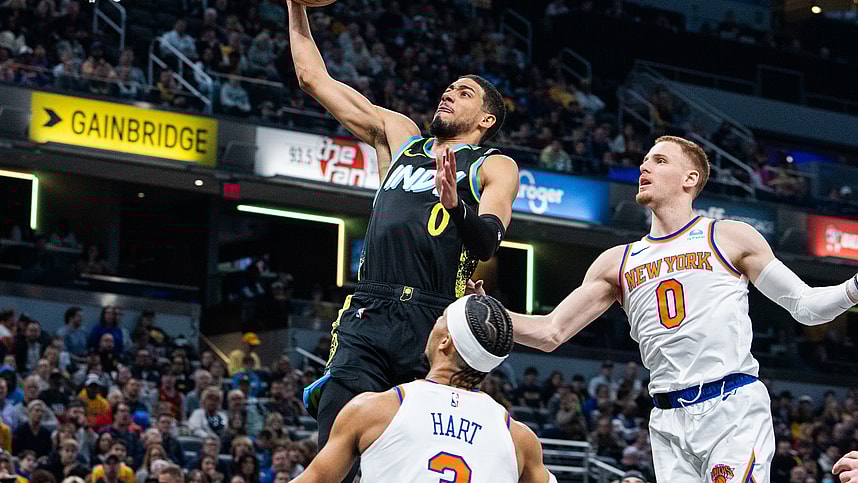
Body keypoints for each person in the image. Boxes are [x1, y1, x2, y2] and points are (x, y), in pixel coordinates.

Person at [506, 136, 858, 482]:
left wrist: (852, 287)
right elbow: (551, 332)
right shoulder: (615, 262)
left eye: (659, 161)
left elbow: (806, 306)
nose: (644, 166)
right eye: (645, 160)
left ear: (690, 179)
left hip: (731, 406)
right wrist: (482, 313)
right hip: (666, 419)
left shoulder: (729, 236)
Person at [287, 3, 520, 481]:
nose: (449, 93)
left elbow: (487, 243)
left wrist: (457, 206)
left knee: (405, 461)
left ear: (487, 119)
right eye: (449, 87)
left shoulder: (493, 165)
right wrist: (295, 6)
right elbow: (314, 78)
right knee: (337, 441)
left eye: (465, 92)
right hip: (370, 310)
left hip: (435, 326)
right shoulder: (401, 138)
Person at [291, 295, 552, 483]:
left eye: (441, 318)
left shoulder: (375, 409)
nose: (434, 323)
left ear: (445, 342)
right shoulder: (519, 439)